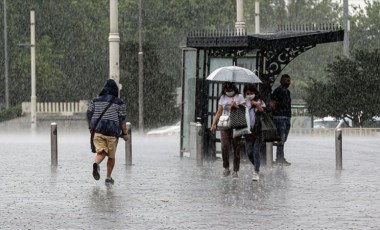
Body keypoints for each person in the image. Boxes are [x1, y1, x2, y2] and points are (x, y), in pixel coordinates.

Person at [87, 79, 129, 184]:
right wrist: (125, 134)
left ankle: (96, 164)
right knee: (111, 156)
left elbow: (89, 114)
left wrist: (91, 127)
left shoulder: (95, 101)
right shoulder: (120, 103)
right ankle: (108, 177)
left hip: (98, 131)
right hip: (112, 133)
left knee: (101, 152)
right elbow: (122, 121)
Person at [210, 82, 245, 178]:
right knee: (224, 145)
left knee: (236, 147)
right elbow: (219, 111)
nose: (229, 92)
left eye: (230, 90)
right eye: (227, 90)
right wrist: (213, 124)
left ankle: (236, 169)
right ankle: (226, 167)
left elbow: (244, 110)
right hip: (225, 123)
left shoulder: (239, 97)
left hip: (236, 123)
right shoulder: (223, 98)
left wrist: (236, 106)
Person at [243, 84, 265, 181]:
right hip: (248, 131)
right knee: (249, 152)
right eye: (247, 93)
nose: (249, 95)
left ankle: (256, 171)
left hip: (258, 130)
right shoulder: (244, 102)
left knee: (256, 151)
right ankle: (257, 166)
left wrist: (256, 104)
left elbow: (263, 110)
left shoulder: (260, 101)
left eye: (251, 93)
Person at [270, 74, 292, 166]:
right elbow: (273, 104)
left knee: (283, 138)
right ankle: (279, 157)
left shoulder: (287, 92)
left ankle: (280, 157)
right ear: (281, 81)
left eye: (289, 80)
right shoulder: (277, 91)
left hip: (286, 117)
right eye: (286, 80)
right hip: (279, 117)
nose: (288, 82)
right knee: (281, 138)